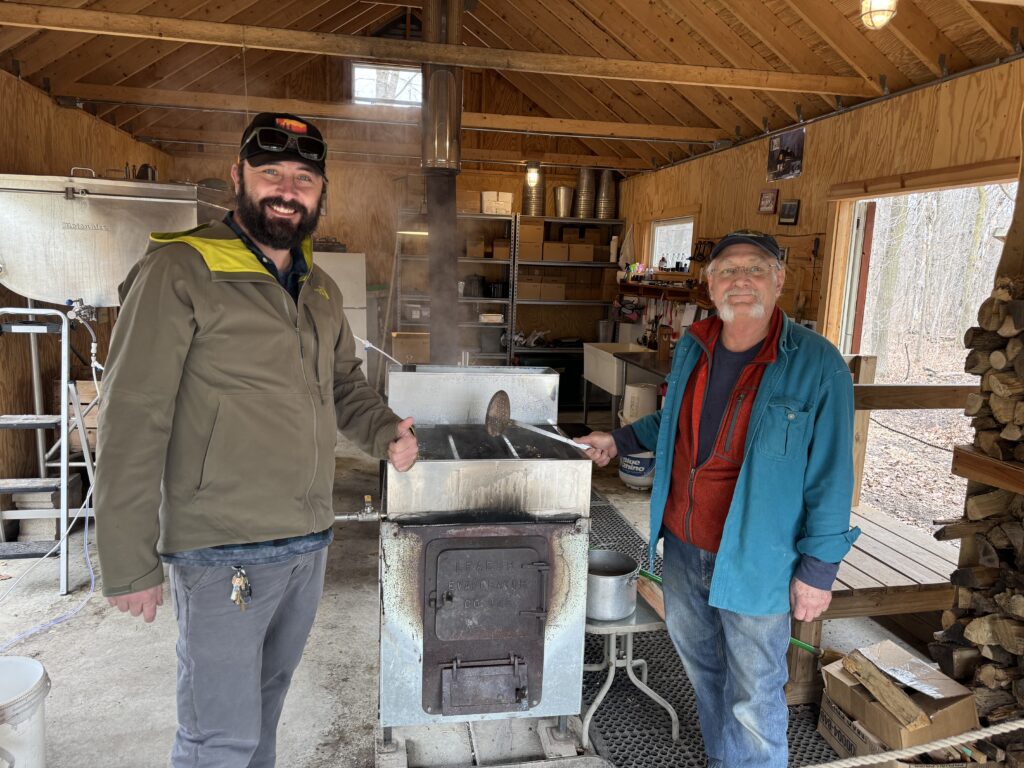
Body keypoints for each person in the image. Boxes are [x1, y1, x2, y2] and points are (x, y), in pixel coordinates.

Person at [95, 112, 418, 768]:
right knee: (220, 737)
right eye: (271, 173)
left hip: (307, 542)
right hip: (224, 551)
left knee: (265, 711)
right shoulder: (181, 270)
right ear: (238, 176)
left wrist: (385, 432)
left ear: (320, 193)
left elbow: (343, 386)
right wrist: (128, 561)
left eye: (304, 178)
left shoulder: (319, 288)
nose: (287, 190)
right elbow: (133, 417)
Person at [577, 230, 859, 768]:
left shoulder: (818, 365)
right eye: (728, 270)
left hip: (759, 560)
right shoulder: (695, 345)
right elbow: (673, 422)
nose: (741, 280)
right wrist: (618, 440)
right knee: (706, 676)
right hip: (684, 548)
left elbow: (831, 476)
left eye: (756, 268)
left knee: (754, 694)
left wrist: (819, 570)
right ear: (710, 285)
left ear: (779, 279)